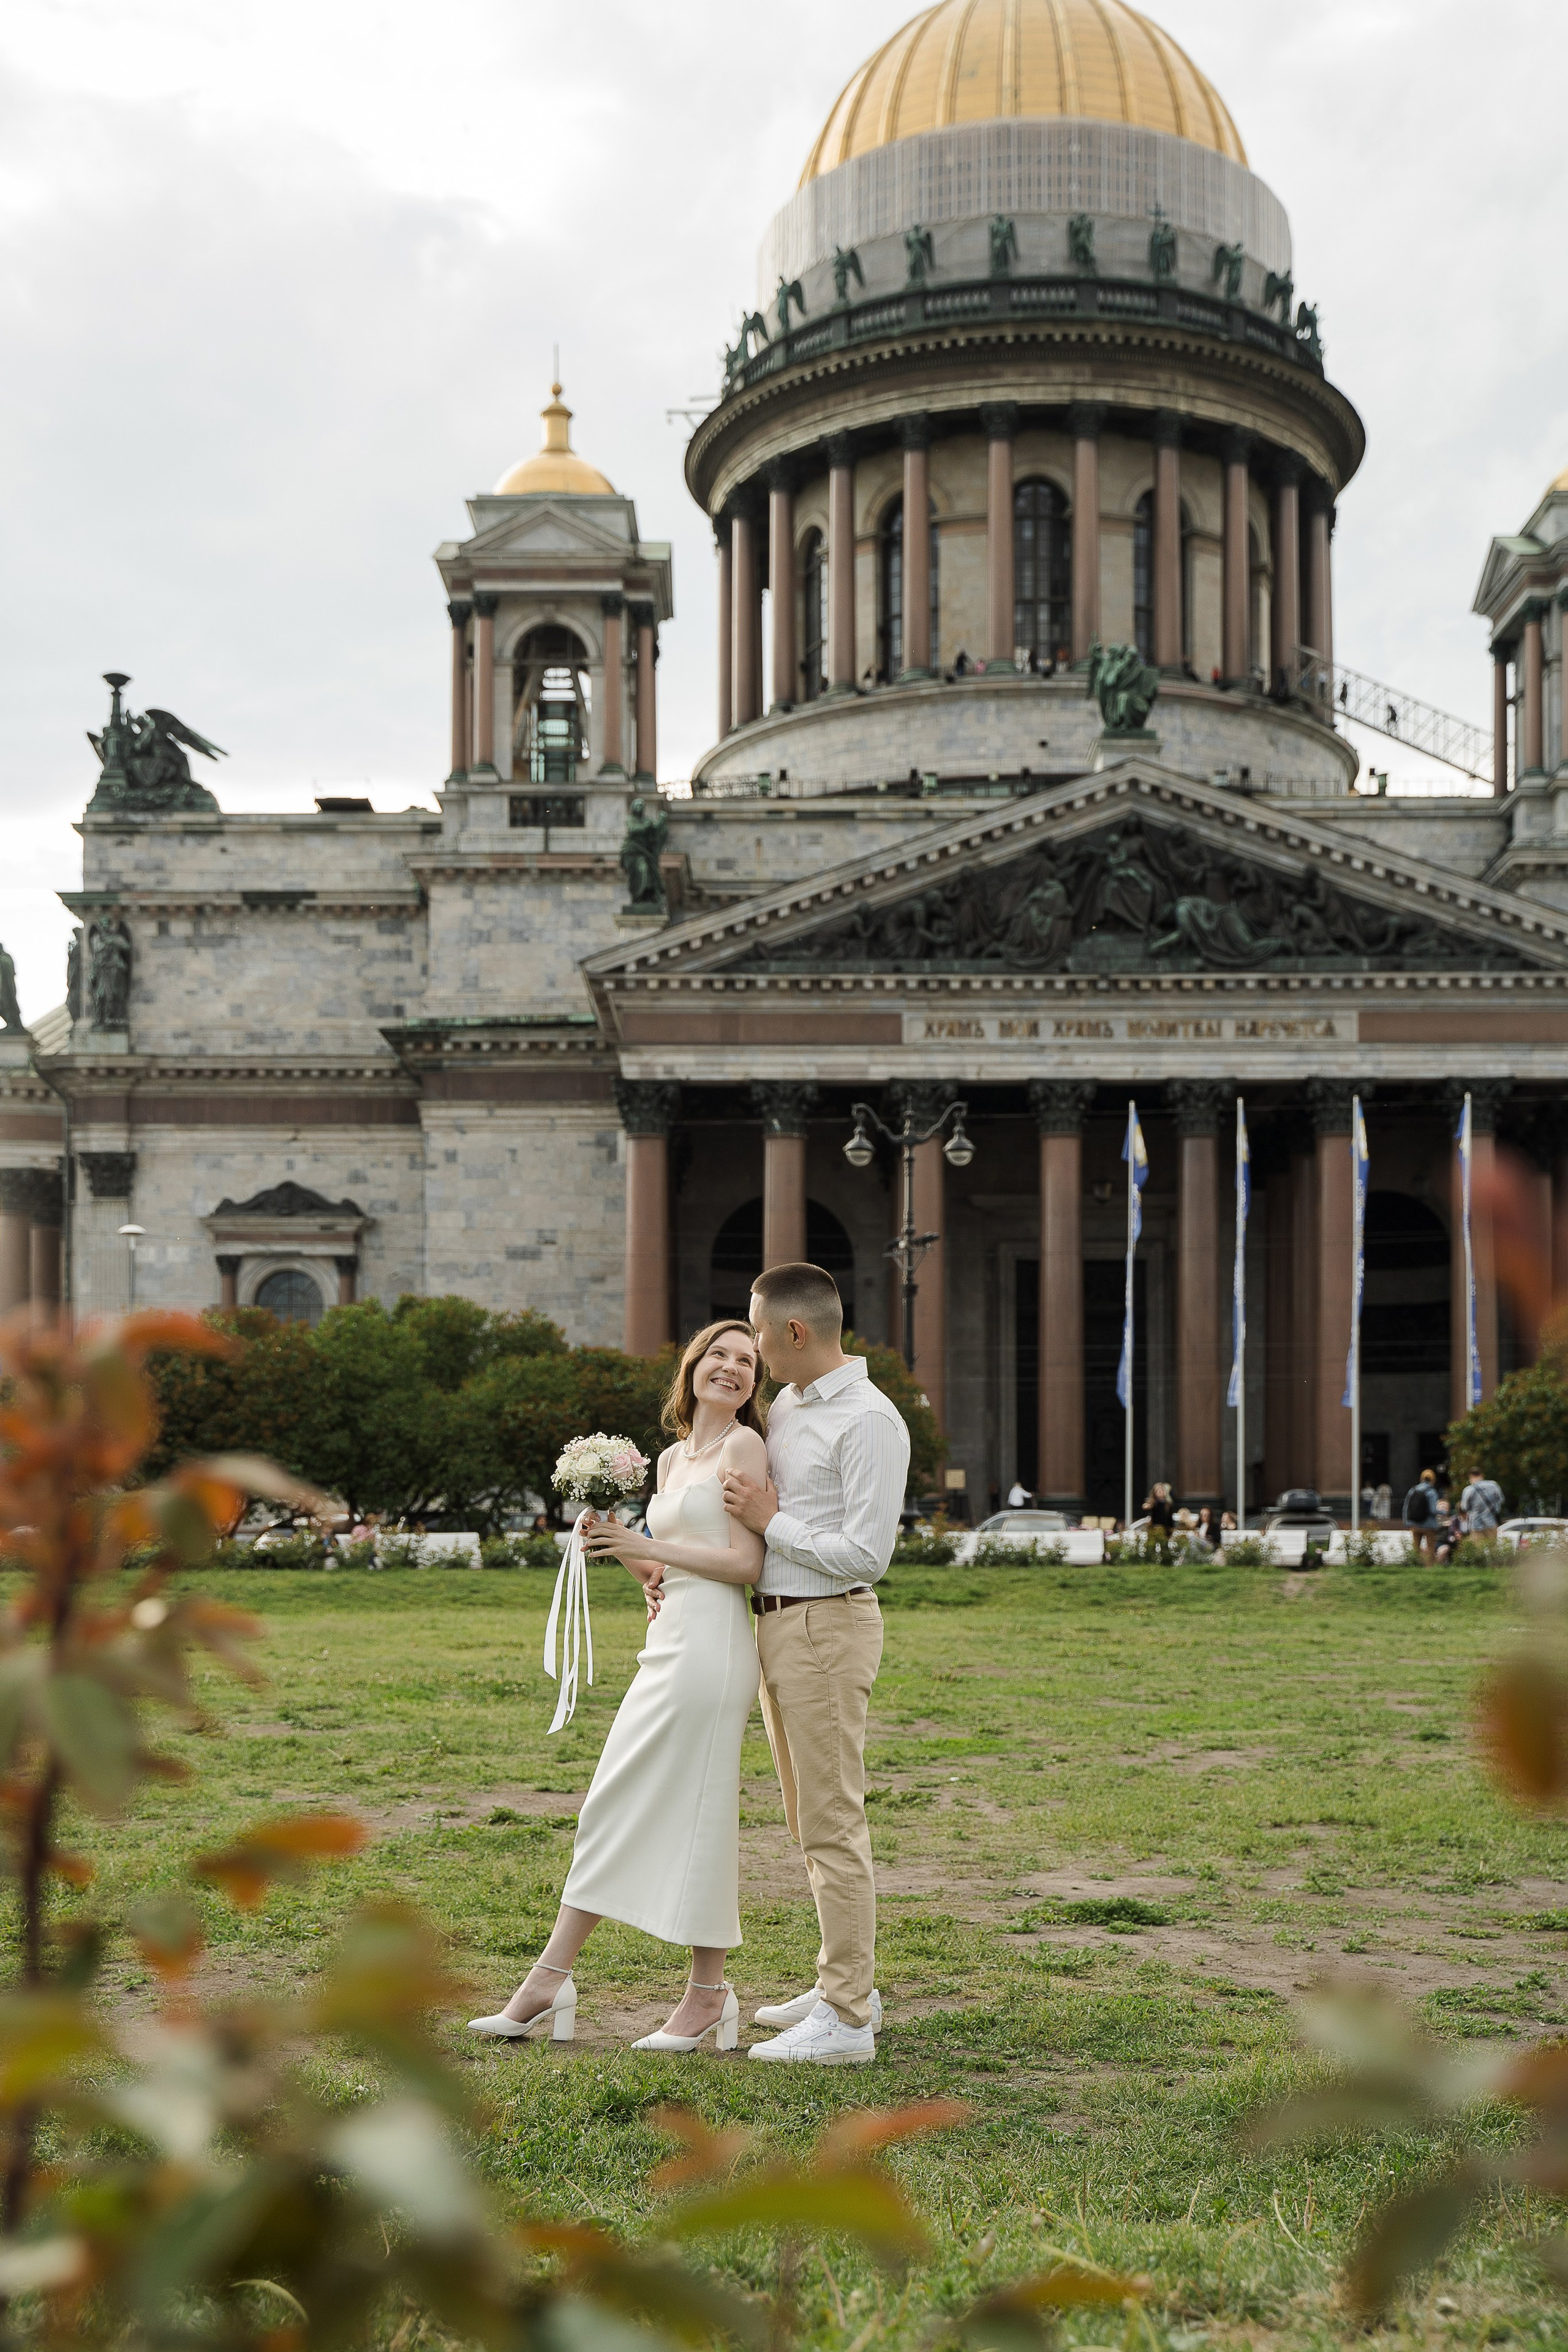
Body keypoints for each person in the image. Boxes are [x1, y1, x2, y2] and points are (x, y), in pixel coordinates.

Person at [467, 1321, 768, 2051]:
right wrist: (613, 1545)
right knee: (612, 1799)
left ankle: (702, 1994)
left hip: (715, 1647)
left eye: (747, 1362)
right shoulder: (670, 1458)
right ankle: (555, 1979)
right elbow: (670, 1568)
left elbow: (745, 1564)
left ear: (755, 1383)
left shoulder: (743, 1447)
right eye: (719, 1355)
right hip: (670, 1638)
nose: (731, 1369)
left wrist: (644, 1544)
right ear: (692, 1365)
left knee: (696, 1809)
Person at [720, 1261, 909, 2065]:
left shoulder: (867, 1420)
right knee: (808, 1821)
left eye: (758, 1332)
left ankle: (845, 2019)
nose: (753, 1349)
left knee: (833, 1824)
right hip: (778, 1630)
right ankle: (848, 1983)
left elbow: (869, 1553)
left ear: (795, 1332)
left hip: (828, 1631)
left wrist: (776, 1521)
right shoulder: (792, 1404)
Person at [1403, 1468, 1439, 1560]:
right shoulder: (1431, 1492)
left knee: (1416, 1547)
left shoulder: (1413, 1490)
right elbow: (1433, 1511)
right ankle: (1429, 1568)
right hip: (1429, 1525)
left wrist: (1407, 1522)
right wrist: (1443, 1512)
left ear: (1421, 1478)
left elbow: (1406, 1507)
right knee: (1431, 1547)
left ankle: (1415, 1564)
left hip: (1414, 1524)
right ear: (1433, 1480)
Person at [1460, 1464, 1503, 1537]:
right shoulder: (1494, 1485)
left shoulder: (1468, 1490)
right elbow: (1501, 1500)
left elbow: (1464, 1508)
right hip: (1491, 1522)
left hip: (1476, 1523)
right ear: (1482, 1475)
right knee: (1492, 1546)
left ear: (1470, 1477)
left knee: (1478, 1547)